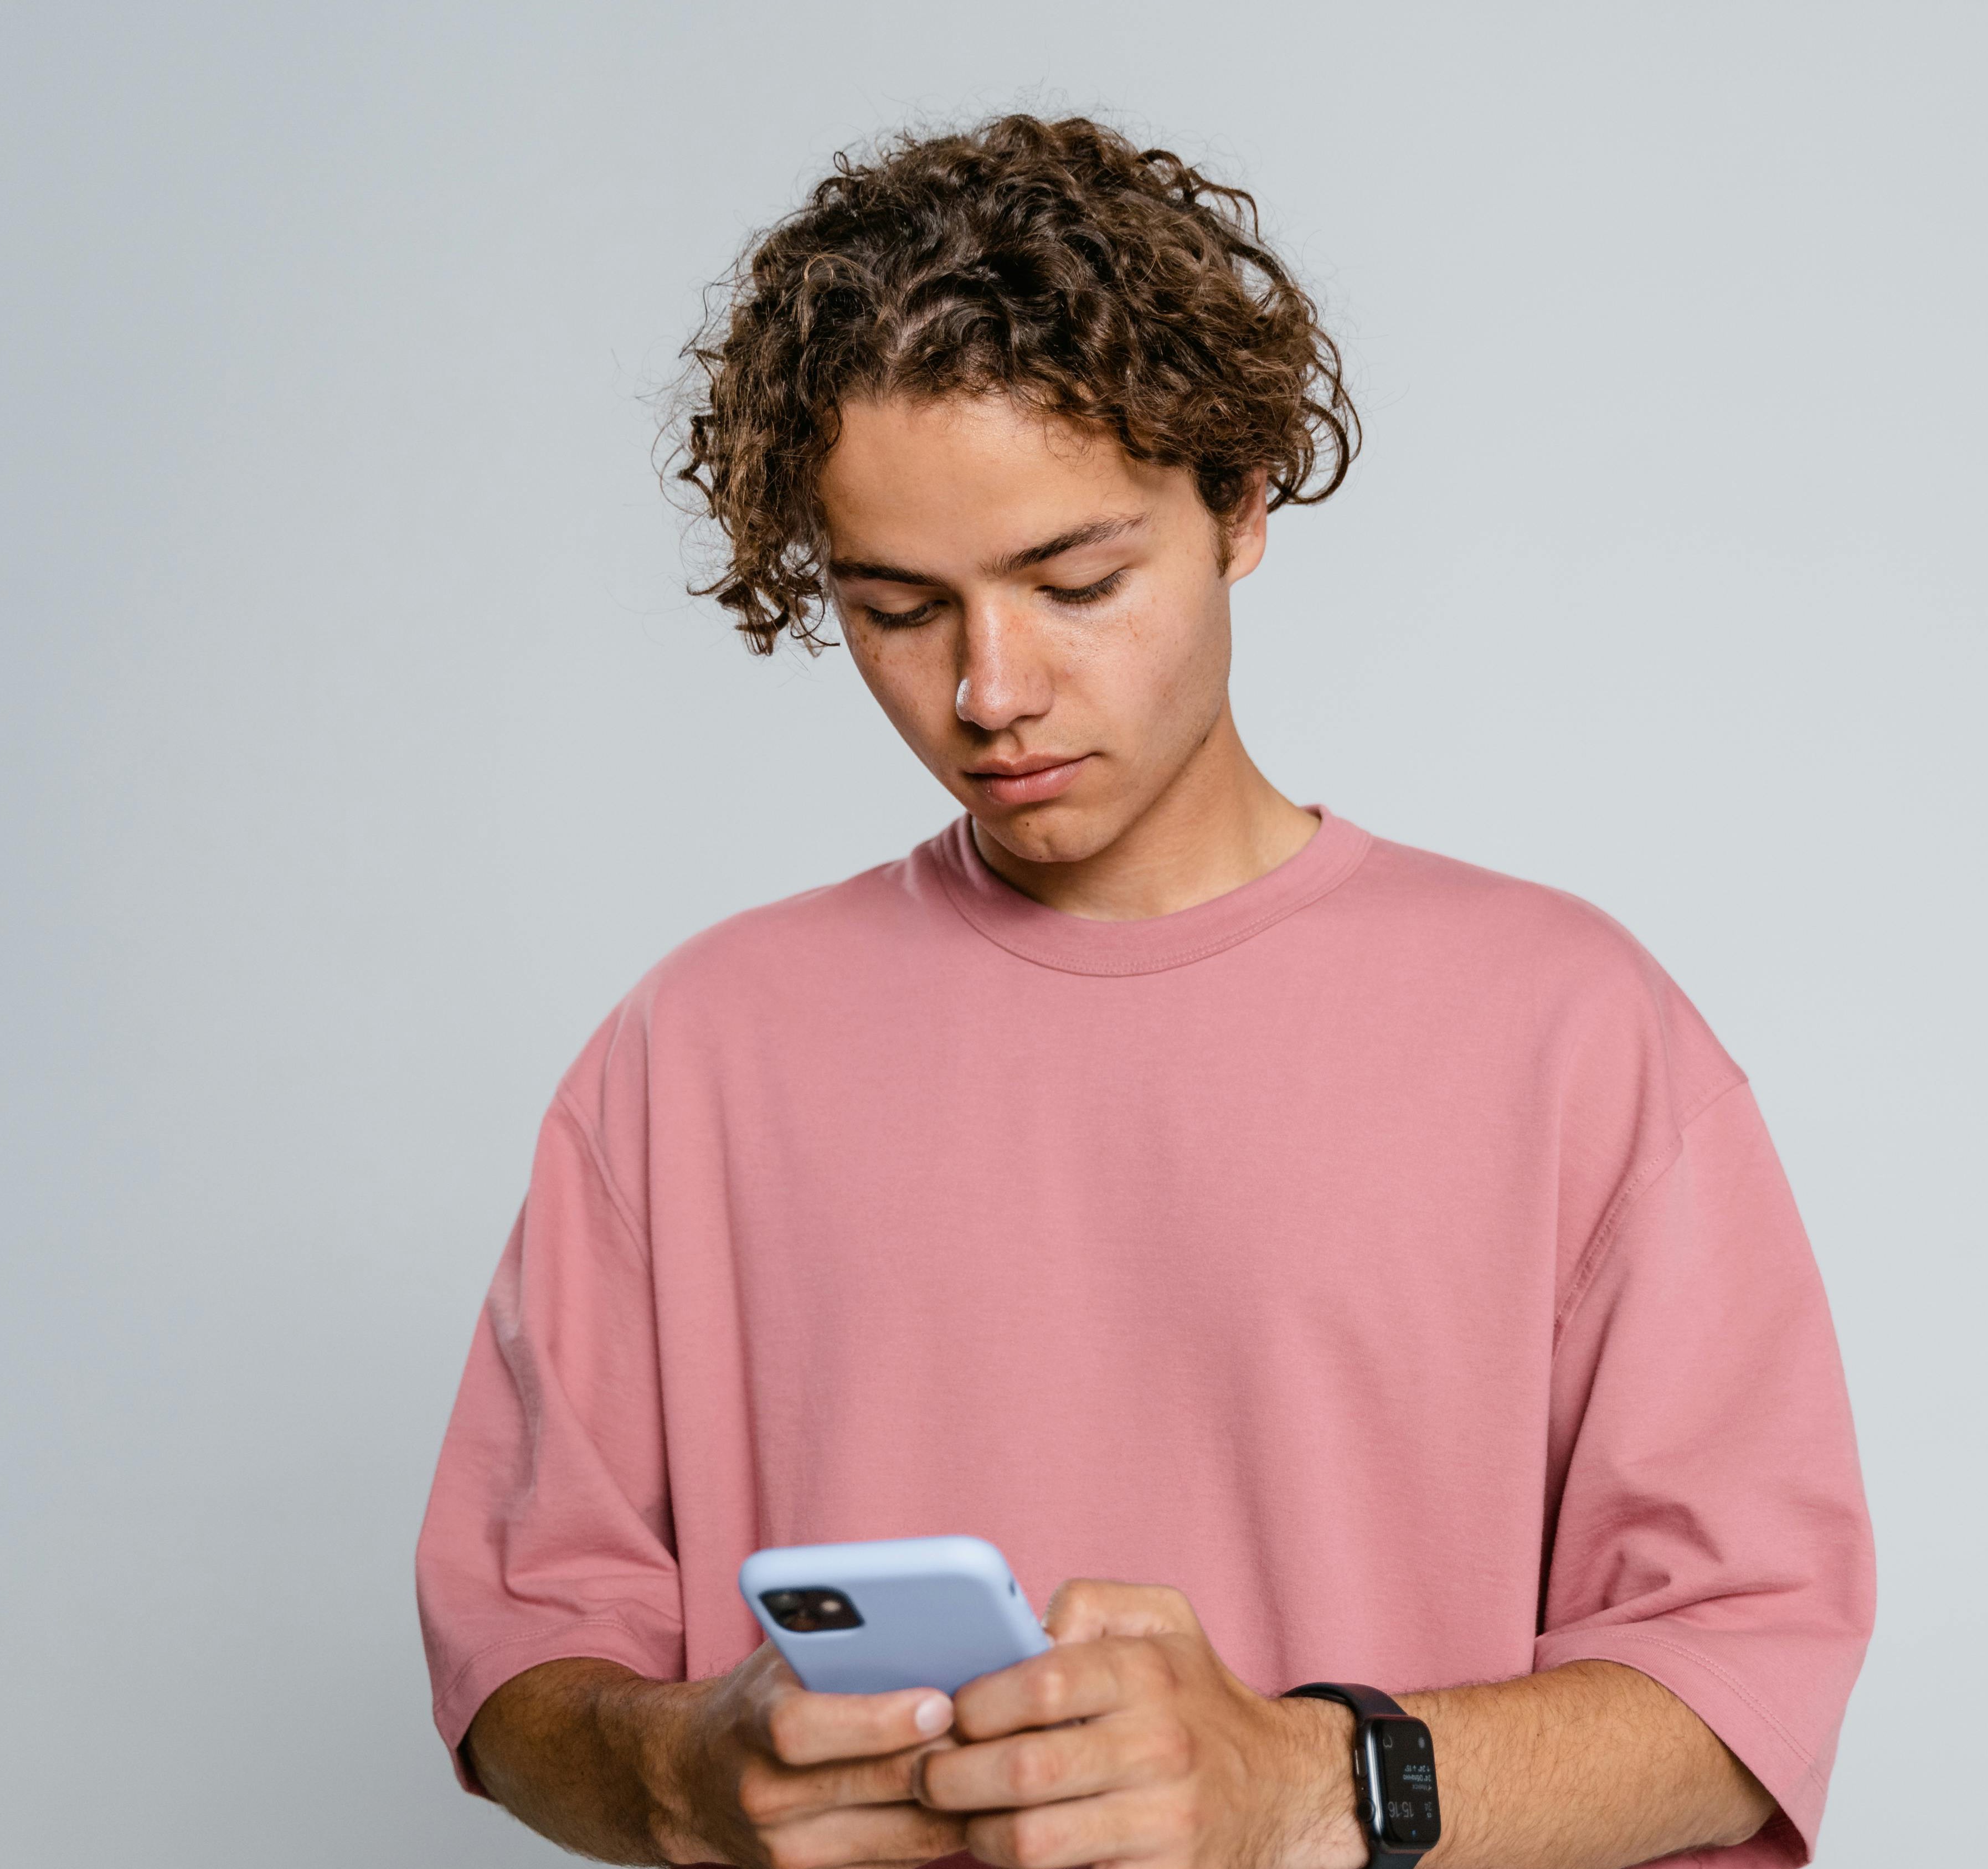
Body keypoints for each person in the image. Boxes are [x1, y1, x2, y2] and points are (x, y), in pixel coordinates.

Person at [415, 114, 1873, 1869]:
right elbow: (516, 1650)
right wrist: (678, 1772)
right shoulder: (697, 1049)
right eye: (897, 608)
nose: (991, 689)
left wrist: (1304, 1783)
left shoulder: (1570, 1027)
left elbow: (1743, 1692)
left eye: (1077, 582)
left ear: (1239, 504)